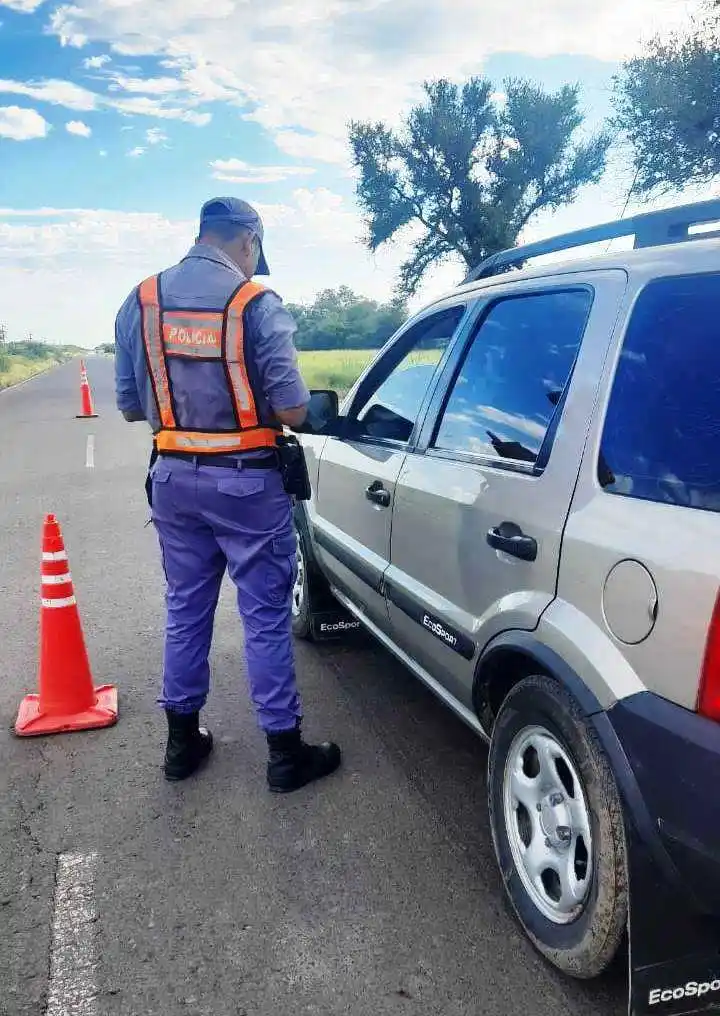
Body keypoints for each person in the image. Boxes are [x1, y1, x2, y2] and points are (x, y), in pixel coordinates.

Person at [113, 196, 341, 792]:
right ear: (249, 241)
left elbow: (131, 405)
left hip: (172, 480)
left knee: (186, 609)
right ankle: (285, 756)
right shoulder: (255, 304)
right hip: (248, 485)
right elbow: (292, 409)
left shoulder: (141, 301)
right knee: (263, 617)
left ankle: (181, 746)